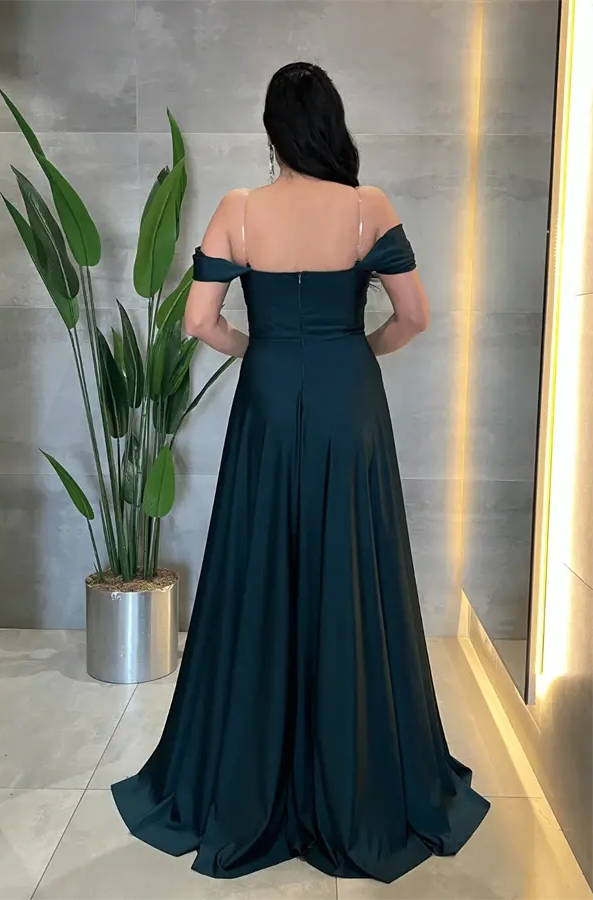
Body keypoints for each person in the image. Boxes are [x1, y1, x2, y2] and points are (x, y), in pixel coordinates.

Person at [112, 61, 490, 884]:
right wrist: (357, 350)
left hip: (270, 397)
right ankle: (358, 773)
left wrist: (260, 348)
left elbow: (199, 320)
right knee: (352, 567)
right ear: (331, 126)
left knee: (262, 566)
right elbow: (414, 316)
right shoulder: (367, 207)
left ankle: (247, 769)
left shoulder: (239, 210)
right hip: (350, 399)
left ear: (273, 132)